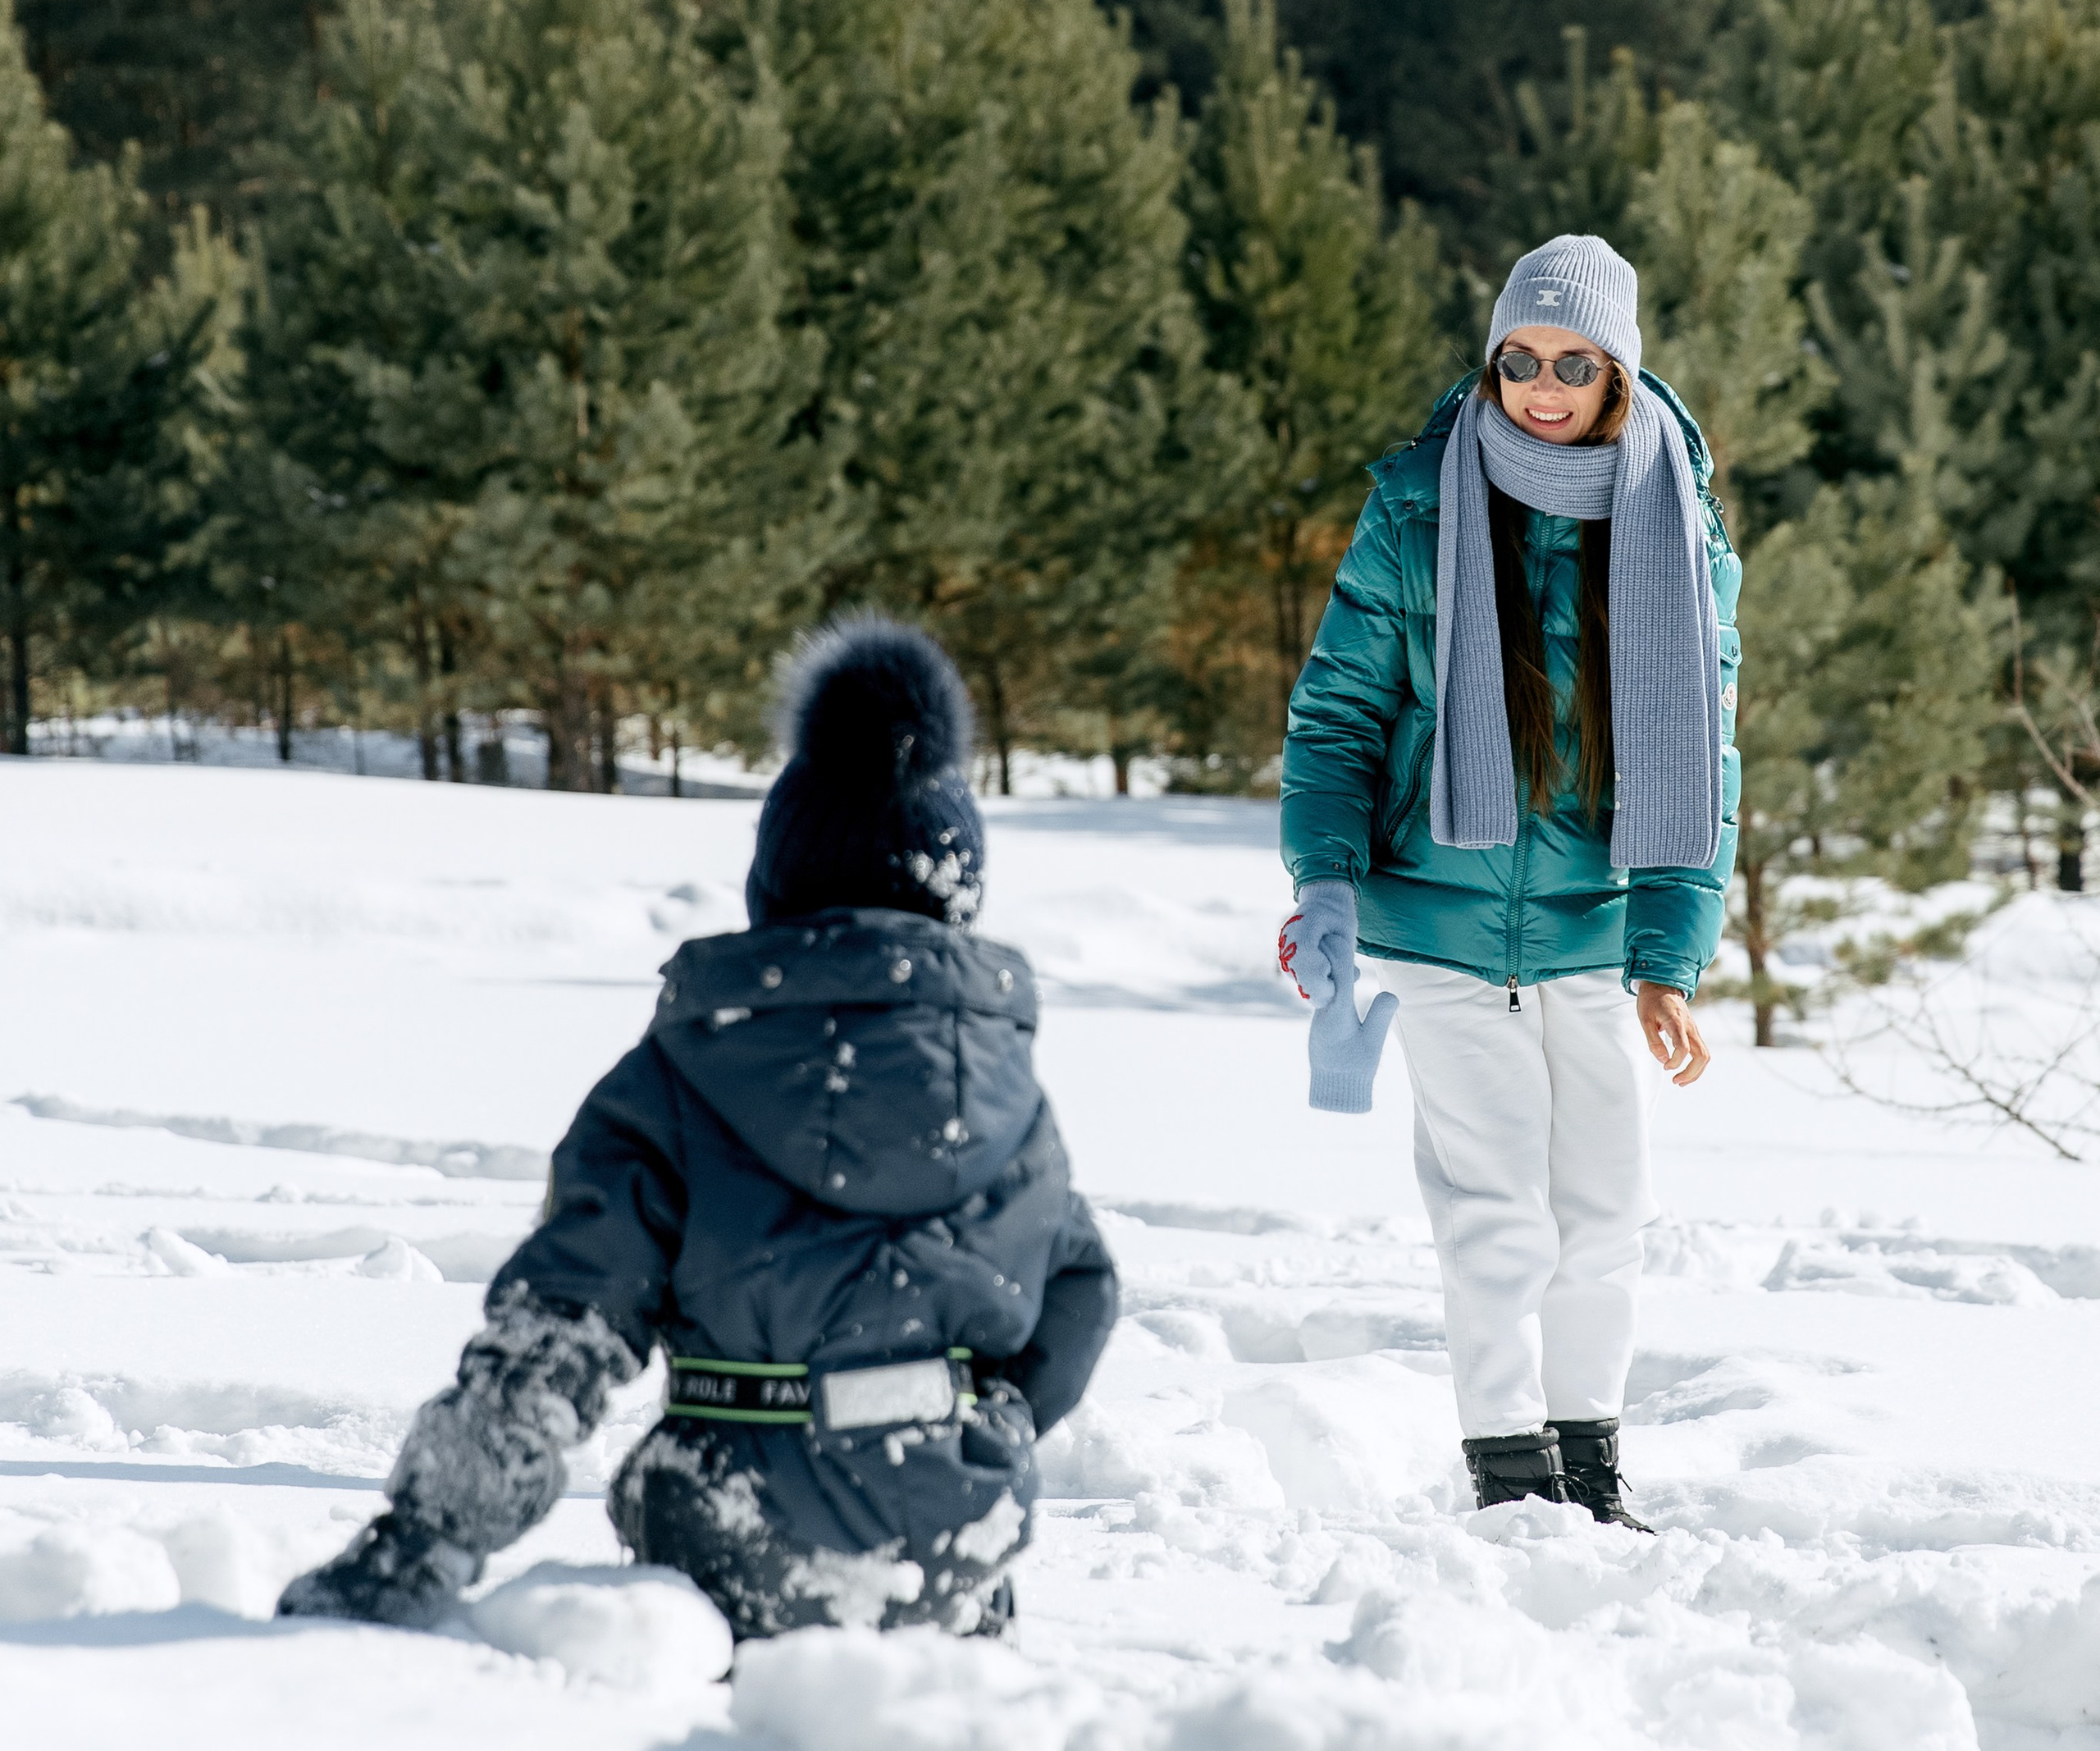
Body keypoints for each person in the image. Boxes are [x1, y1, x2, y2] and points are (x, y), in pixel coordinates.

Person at [281, 618, 1117, 1640]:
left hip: (733, 1540)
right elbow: (1079, 1287)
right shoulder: (1007, 1098)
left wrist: (422, 1541)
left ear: (777, 883)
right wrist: (986, 1423)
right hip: (956, 1537)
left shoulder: (677, 1078)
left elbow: (561, 1335)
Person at [1276, 233, 1738, 1529]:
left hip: (1596, 932)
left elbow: (1707, 756)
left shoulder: (1676, 523)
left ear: (1618, 375)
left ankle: (1589, 1474)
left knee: (1603, 1218)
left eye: (1573, 363)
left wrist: (1670, 958)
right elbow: (1339, 717)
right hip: (1438, 924)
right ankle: (1507, 1480)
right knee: (1496, 1221)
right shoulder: (1419, 505)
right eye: (1519, 359)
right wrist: (1325, 882)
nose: (1541, 386)